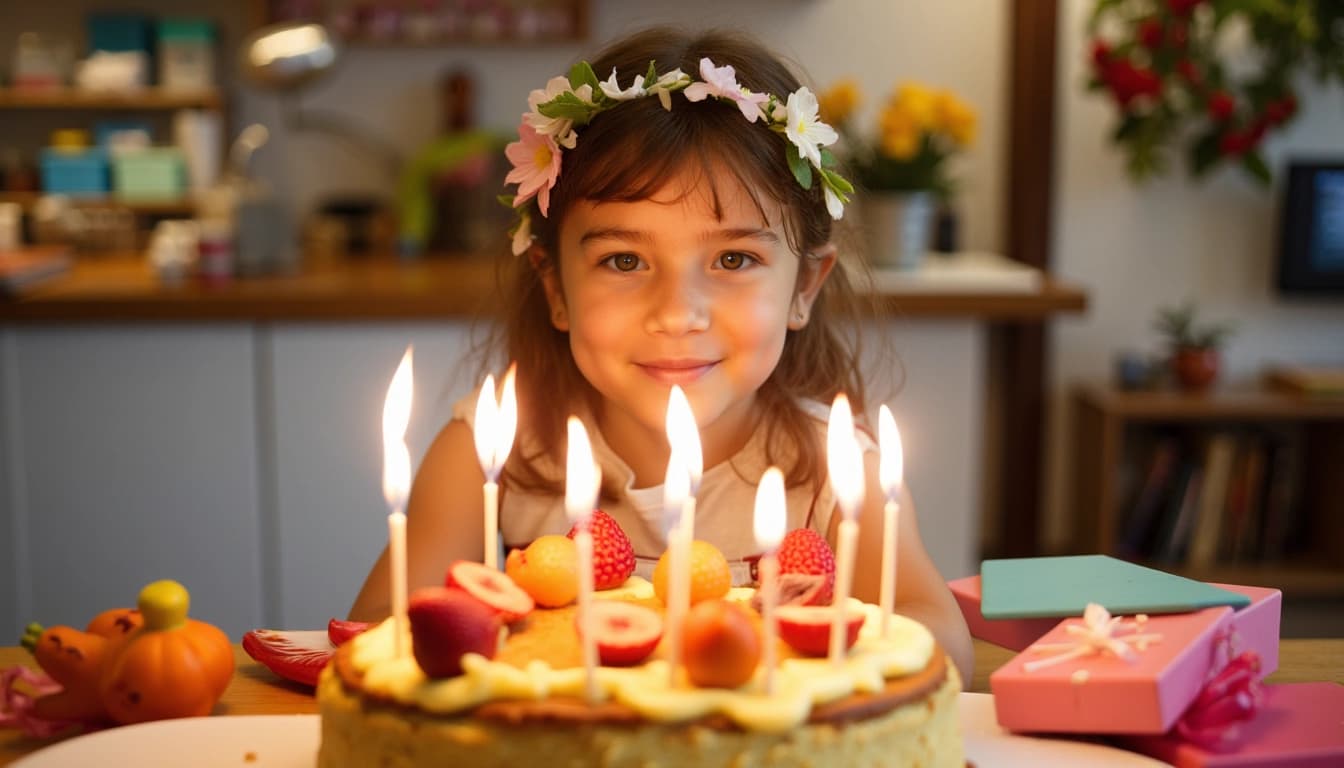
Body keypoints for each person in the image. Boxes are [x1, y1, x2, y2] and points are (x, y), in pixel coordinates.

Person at [349, 26, 974, 682]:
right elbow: (378, 638)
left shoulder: (832, 475)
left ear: (805, 287)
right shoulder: (494, 453)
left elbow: (941, 645)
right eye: (624, 260)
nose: (677, 313)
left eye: (734, 259)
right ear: (556, 285)